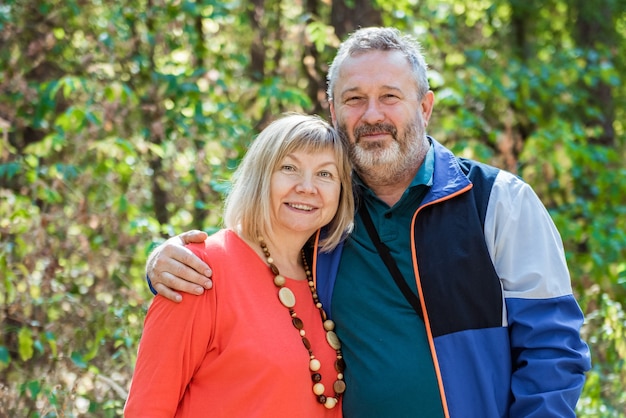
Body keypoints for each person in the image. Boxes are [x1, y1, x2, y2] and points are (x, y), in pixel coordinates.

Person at [145, 27, 591, 417]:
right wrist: (165, 257)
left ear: (425, 106)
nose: (372, 114)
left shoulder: (497, 202)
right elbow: (249, 252)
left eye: (390, 97)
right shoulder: (323, 210)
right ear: (334, 112)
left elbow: (554, 347)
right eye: (355, 99)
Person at [125, 113, 354, 417]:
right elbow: (147, 409)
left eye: (325, 174)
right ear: (260, 176)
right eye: (289, 168)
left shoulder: (329, 273)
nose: (307, 187)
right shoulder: (198, 270)